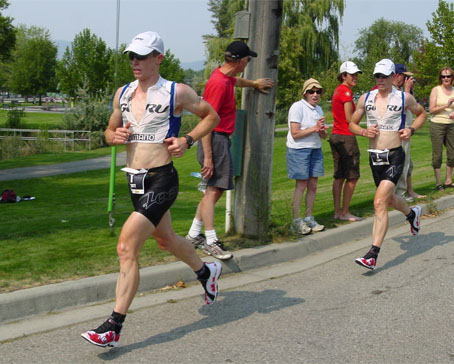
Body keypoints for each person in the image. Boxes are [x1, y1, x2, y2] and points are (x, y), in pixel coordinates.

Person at [81, 31, 221, 348]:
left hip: (162, 180)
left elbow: (211, 116)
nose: (135, 62)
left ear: (158, 58)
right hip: (135, 179)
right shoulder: (123, 93)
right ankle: (206, 271)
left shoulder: (177, 92)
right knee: (165, 239)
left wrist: (188, 140)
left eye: (142, 56)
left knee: (126, 247)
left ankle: (112, 327)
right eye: (132, 56)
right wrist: (112, 136)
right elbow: (110, 127)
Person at [185, 41, 274, 260]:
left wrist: (253, 84)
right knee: (213, 190)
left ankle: (194, 234)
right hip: (214, 139)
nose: (248, 63)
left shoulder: (224, 78)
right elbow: (206, 120)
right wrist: (208, 156)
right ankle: (211, 240)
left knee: (214, 190)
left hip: (219, 140)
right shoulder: (218, 84)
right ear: (243, 61)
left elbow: (235, 81)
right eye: (248, 60)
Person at [349, 59, 426, 270]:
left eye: (384, 76)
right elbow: (352, 124)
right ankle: (412, 214)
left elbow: (422, 115)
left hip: (395, 155)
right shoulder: (366, 98)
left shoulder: (404, 98)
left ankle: (372, 254)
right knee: (389, 199)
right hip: (375, 156)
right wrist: (364, 132)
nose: (380, 80)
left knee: (379, 202)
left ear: (393, 77)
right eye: (377, 76)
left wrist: (411, 130)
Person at [286, 78, 328, 235]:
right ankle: (296, 220)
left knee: (313, 185)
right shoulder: (297, 107)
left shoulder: (319, 110)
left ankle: (309, 217)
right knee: (301, 184)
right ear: (305, 93)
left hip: (315, 149)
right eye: (312, 91)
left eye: (318, 92)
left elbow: (322, 135)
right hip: (299, 150)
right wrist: (314, 128)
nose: (315, 94)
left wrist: (322, 130)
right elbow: (295, 133)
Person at [329, 61, 363, 222]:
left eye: (356, 74)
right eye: (352, 75)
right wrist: (363, 112)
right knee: (352, 176)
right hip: (346, 136)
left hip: (336, 135)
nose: (355, 77)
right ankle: (345, 211)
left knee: (339, 176)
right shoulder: (346, 92)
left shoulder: (338, 91)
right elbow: (350, 118)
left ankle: (337, 212)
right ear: (344, 76)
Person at [392, 63, 426, 202]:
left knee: (407, 163)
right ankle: (399, 194)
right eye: (404, 76)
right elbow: (401, 106)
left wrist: (408, 90)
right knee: (401, 163)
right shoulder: (392, 91)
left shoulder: (401, 91)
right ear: (397, 75)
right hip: (399, 131)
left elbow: (414, 108)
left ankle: (407, 191)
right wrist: (406, 89)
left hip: (406, 130)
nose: (406, 79)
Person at [428, 67, 454, 191]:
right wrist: (446, 105)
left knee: (453, 154)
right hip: (437, 124)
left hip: (450, 124)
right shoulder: (436, 90)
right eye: (443, 76)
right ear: (440, 78)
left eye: (448, 76)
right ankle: (438, 183)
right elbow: (431, 110)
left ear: (452, 77)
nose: (446, 78)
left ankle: (448, 180)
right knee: (438, 155)